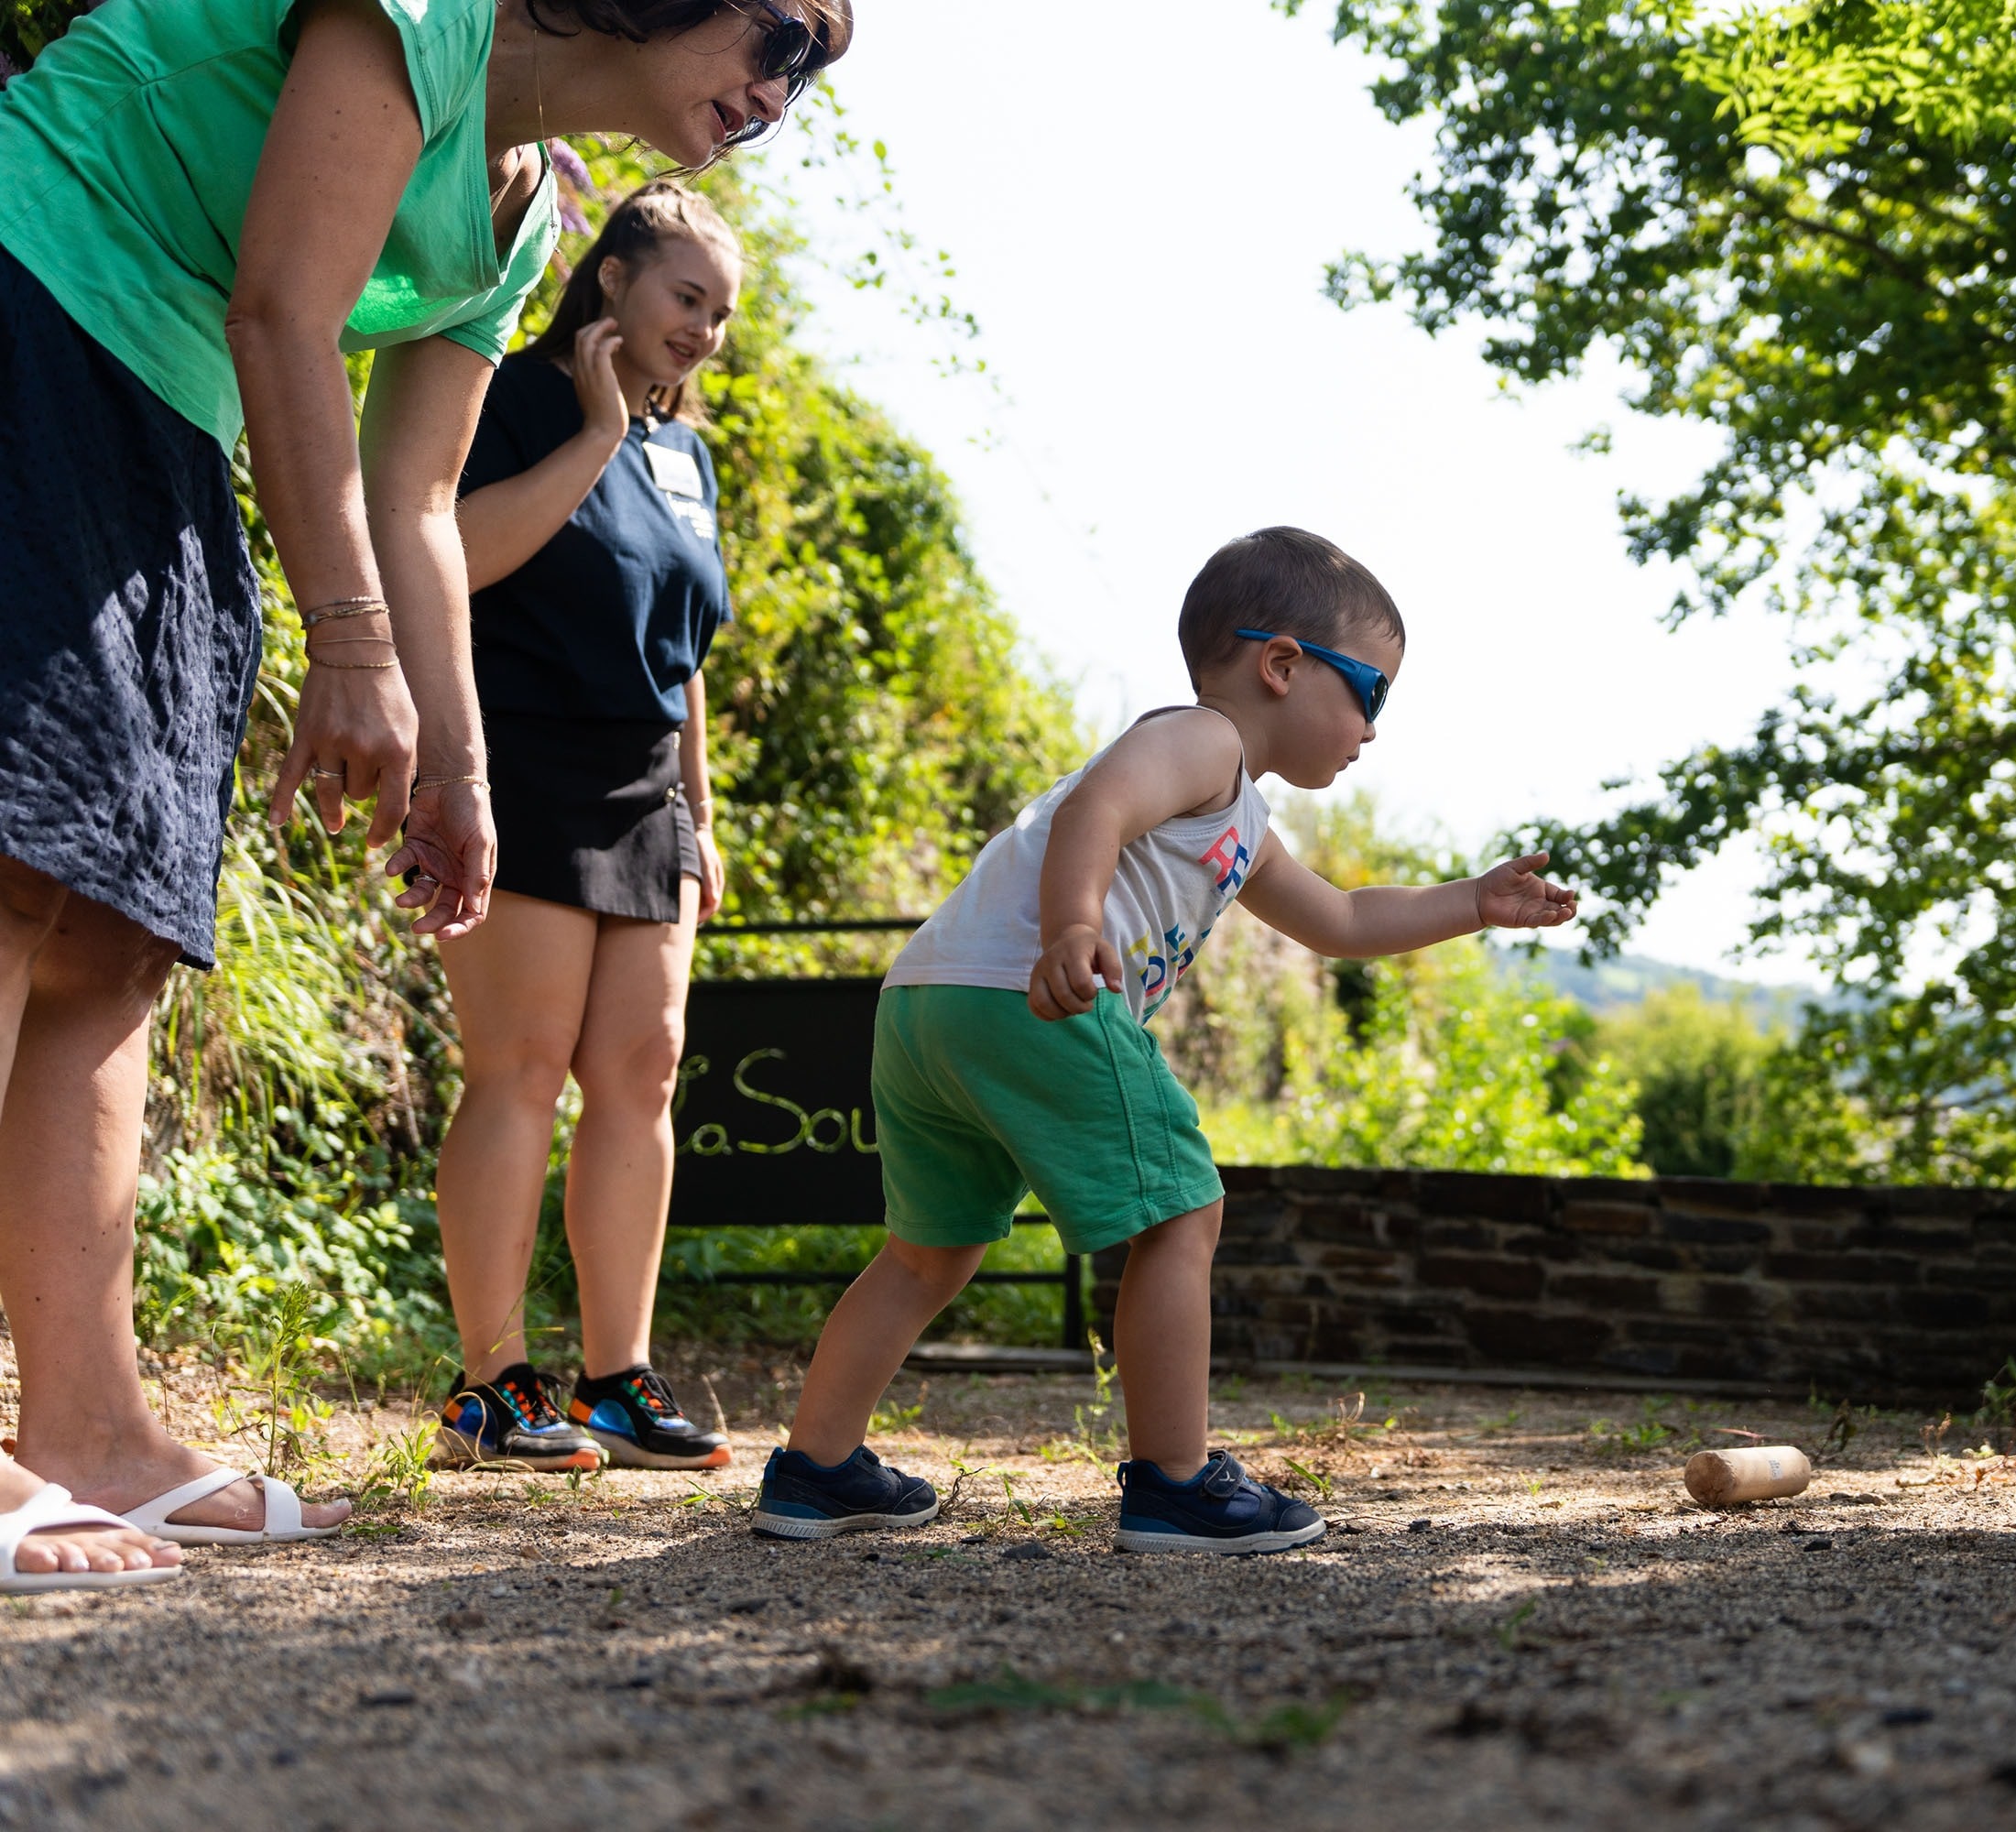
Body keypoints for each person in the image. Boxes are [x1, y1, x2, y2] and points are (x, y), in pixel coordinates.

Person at [0, 0, 845, 1585]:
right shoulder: (432, 13)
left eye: (817, 70)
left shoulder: (524, 212)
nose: (787, 90)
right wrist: (346, 640)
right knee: (8, 878)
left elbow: (414, 502)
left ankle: (89, 1425)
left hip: (171, 418)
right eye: (786, 35)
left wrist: (455, 763)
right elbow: (284, 312)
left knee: (108, 931)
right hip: (35, 298)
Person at [752, 528, 1580, 1550]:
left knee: (927, 1255)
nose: (1373, 727)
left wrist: (1471, 901)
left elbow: (1345, 920)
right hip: (1036, 993)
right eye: (1372, 692)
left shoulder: (1241, 817)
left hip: (930, 1002)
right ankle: (1175, 1482)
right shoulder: (1204, 741)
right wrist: (1072, 930)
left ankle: (815, 1467)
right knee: (1184, 1214)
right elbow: (1097, 806)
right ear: (1281, 663)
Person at [432, 184, 741, 1473]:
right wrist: (599, 431)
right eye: (687, 298)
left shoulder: (694, 454)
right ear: (611, 278)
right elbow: (453, 551)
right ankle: (489, 1389)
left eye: (722, 315)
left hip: (646, 792)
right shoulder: (506, 395)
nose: (706, 332)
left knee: (642, 1074)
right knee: (520, 1065)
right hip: (522, 760)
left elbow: (688, 655)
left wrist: (703, 812)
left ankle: (617, 1380)